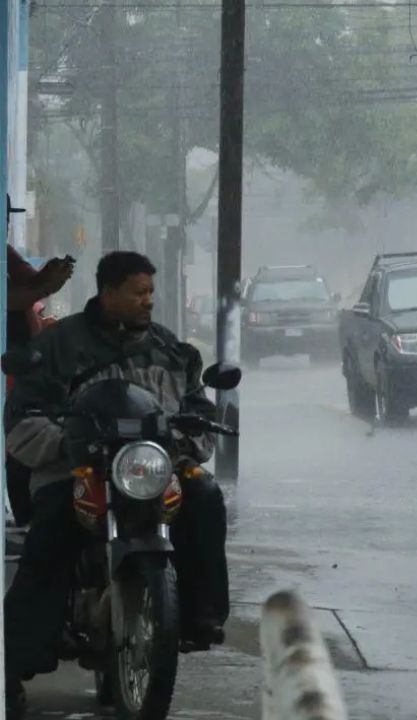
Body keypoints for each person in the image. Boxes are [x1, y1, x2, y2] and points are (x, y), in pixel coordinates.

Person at [4, 251, 229, 716]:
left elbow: (199, 411)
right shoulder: (58, 346)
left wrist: (192, 438)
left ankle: (200, 616)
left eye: (151, 292)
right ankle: (13, 662)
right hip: (78, 472)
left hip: (149, 470)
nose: (148, 301)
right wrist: (66, 445)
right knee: (50, 535)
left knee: (204, 496)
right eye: (138, 292)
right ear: (108, 293)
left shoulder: (172, 350)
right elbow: (22, 420)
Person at [6, 246, 74, 526]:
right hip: (15, 368)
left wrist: (47, 277)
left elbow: (28, 282)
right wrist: (45, 285)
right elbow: (9, 298)